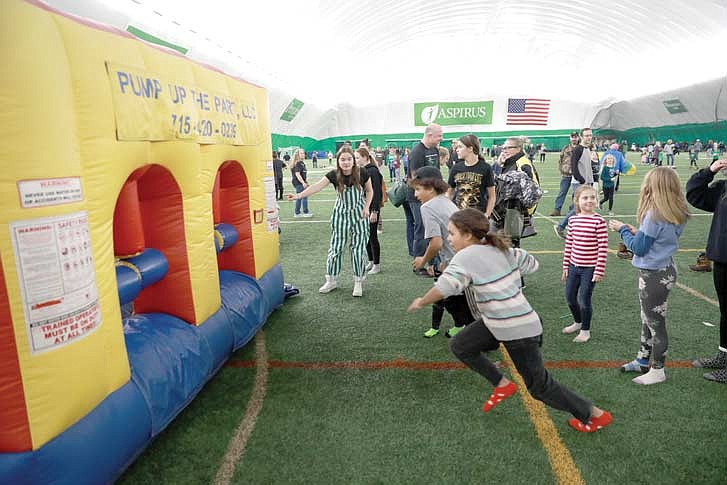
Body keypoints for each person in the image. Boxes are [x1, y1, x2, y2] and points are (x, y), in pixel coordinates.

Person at [407, 209, 612, 432]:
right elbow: (532, 264)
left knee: (540, 387)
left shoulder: (464, 257)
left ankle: (595, 415)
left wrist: (421, 301)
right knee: (460, 344)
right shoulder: (499, 249)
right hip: (502, 321)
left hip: (517, 329)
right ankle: (502, 384)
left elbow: (445, 287)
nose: (448, 238)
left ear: (467, 235)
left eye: (451, 233)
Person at [609, 167, 689, 385]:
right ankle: (642, 360)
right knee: (647, 318)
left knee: (655, 323)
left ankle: (658, 370)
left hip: (654, 275)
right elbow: (662, 238)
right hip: (664, 269)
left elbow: (639, 248)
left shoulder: (654, 213)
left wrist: (623, 230)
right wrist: (639, 232)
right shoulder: (677, 210)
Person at [288, 146, 373, 297]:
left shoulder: (362, 173)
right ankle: (331, 280)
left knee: (358, 250)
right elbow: (316, 187)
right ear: (338, 161)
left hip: (360, 215)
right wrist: (298, 196)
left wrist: (367, 207)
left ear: (353, 160)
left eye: (349, 159)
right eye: (342, 159)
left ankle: (358, 282)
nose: (346, 162)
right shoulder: (334, 175)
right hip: (340, 215)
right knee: (336, 248)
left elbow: (369, 191)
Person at [409, 167, 473, 338]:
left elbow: (436, 243)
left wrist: (422, 261)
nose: (415, 195)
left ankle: (472, 331)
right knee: (455, 296)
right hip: (464, 255)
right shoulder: (446, 200)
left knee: (451, 297)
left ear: (430, 188)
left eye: (418, 189)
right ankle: (464, 325)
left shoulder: (427, 207)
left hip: (459, 259)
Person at [686, 158, 727, 383]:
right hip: (721, 258)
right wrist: (709, 171)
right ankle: (723, 355)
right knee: (725, 311)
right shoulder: (723, 188)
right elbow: (694, 194)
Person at [561, 185, 608, 343]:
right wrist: (566, 266)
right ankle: (577, 322)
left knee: (584, 300)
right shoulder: (573, 220)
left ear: (596, 200)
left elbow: (602, 247)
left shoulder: (599, 222)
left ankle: (585, 330)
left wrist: (599, 270)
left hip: (590, 269)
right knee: (569, 298)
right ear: (577, 201)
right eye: (585, 198)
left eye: (592, 197)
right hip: (574, 267)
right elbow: (569, 245)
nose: (589, 201)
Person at [403, 124, 443, 264]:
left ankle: (432, 261)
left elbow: (436, 172)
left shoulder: (435, 150)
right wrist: (427, 193)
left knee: (431, 227)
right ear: (429, 135)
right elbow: (415, 178)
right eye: (439, 135)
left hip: (431, 195)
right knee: (421, 228)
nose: (441, 138)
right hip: (418, 196)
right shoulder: (417, 152)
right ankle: (418, 262)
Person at [554, 128, 594, 239]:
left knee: (582, 208)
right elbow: (574, 167)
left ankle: (577, 230)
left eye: (590, 135)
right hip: (580, 183)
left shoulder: (587, 149)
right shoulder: (578, 149)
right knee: (578, 208)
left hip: (587, 182)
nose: (588, 137)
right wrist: (582, 181)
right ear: (581, 137)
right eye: (586, 135)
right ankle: (561, 226)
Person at [448, 134, 495, 217]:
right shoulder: (456, 168)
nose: (456, 150)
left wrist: (487, 214)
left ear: (470, 148)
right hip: (458, 215)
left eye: (460, 147)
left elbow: (492, 196)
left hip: (477, 215)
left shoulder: (486, 168)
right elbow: (449, 193)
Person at [355, 146, 383, 276]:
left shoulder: (372, 171)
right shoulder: (363, 170)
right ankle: (371, 261)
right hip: (364, 207)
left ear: (365, 157)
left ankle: (377, 264)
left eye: (357, 157)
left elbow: (376, 192)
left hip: (372, 208)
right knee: (365, 236)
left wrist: (375, 211)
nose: (355, 160)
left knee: (372, 236)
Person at [551, 132, 579, 217]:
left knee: (576, 194)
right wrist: (562, 169)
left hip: (577, 175)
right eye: (572, 137)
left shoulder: (580, 148)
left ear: (578, 138)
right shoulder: (566, 148)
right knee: (562, 192)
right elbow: (561, 159)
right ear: (570, 138)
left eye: (575, 137)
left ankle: (572, 211)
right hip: (566, 174)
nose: (574, 139)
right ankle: (557, 209)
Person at [290, 149, 312, 218]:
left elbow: (302, 174)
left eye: (303, 153)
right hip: (298, 183)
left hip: (299, 182)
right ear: (298, 155)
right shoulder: (298, 163)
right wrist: (303, 183)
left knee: (300, 197)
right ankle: (305, 212)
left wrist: (306, 182)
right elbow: (297, 174)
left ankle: (297, 212)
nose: (303, 154)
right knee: (303, 196)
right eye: (301, 153)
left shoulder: (301, 163)